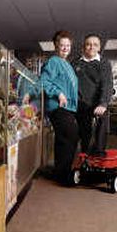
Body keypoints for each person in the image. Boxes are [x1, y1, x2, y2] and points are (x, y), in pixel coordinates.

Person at [26, 30, 78, 184]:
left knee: (67, 138)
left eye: (68, 45)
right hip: (58, 106)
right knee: (69, 136)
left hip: (68, 108)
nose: (65, 48)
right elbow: (44, 82)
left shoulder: (67, 64)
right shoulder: (54, 61)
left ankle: (60, 172)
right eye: (62, 45)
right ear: (56, 46)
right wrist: (58, 93)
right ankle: (62, 175)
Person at [72, 34, 113, 157]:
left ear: (99, 48)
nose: (91, 47)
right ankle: (85, 154)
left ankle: (99, 152)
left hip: (97, 103)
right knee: (85, 132)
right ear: (84, 47)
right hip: (81, 103)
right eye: (88, 44)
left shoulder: (104, 63)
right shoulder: (75, 63)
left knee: (102, 119)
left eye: (95, 44)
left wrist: (103, 103)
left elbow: (107, 84)